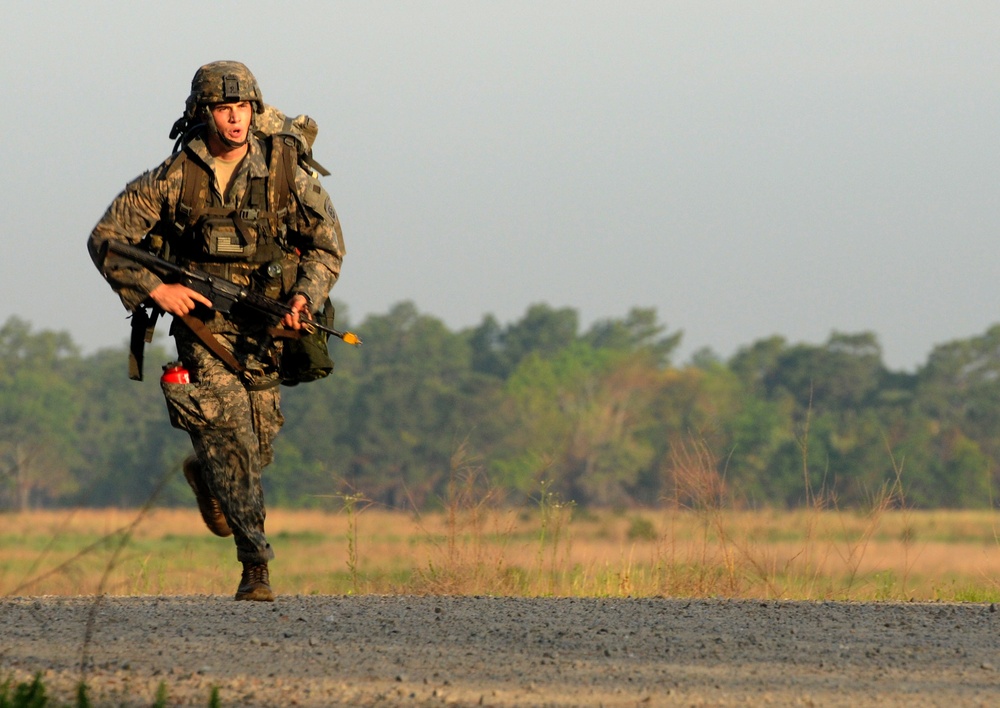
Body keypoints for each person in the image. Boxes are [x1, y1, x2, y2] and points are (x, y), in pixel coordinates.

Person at [88, 61, 345, 601]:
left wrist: (305, 298)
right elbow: (106, 239)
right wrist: (155, 291)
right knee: (229, 440)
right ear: (204, 114)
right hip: (203, 331)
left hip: (267, 328)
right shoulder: (173, 177)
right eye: (224, 109)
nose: (235, 118)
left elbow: (326, 245)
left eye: (243, 107)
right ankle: (256, 567)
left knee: (258, 446)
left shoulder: (283, 172)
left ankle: (210, 481)